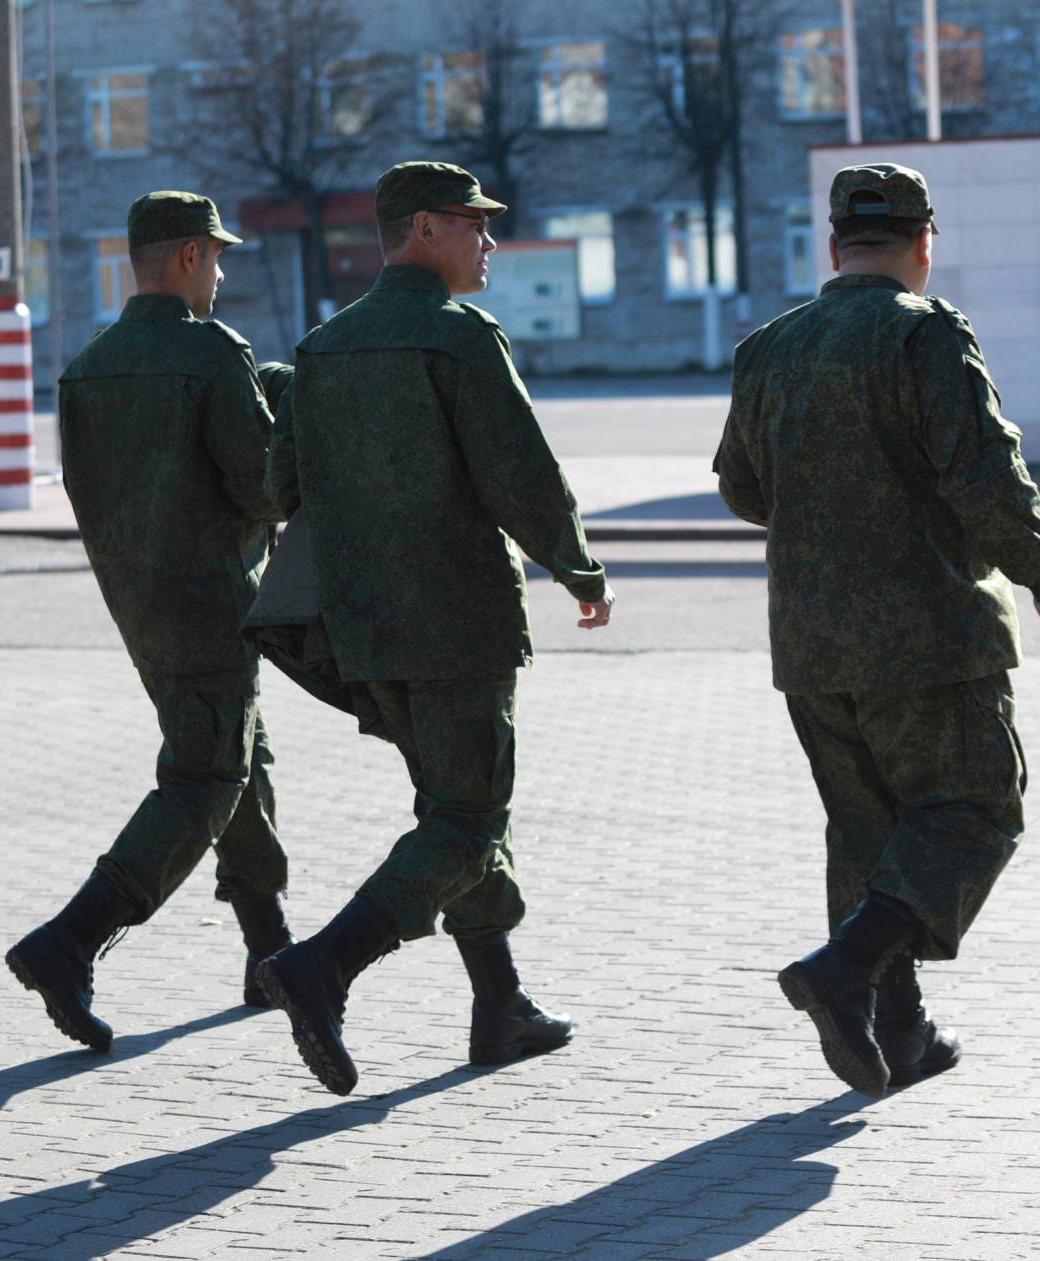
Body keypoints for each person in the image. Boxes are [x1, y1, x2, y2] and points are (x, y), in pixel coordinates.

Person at [715, 163, 1040, 1098]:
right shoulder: (925, 334)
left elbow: (739, 484)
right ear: (924, 246)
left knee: (866, 827)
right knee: (975, 808)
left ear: (833, 247)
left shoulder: (770, 347)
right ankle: (845, 972)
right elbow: (984, 477)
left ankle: (899, 1030)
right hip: (927, 634)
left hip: (809, 640)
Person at [254, 161, 616, 1095]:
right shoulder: (459, 338)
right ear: (424, 229)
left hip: (363, 631)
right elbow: (519, 469)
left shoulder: (324, 346)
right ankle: (324, 964)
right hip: (458, 623)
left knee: (452, 806)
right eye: (473, 224)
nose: (489, 241)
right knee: (466, 816)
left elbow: (280, 489)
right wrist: (577, 566)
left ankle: (501, 1006)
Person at [5, 192, 291, 1052]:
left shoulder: (88, 365)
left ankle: (269, 948)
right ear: (191, 257)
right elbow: (260, 484)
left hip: (140, 603)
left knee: (241, 756)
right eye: (218, 256)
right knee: (206, 775)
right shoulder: (211, 356)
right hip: (216, 599)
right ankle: (72, 939)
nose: (223, 272)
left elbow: (82, 488)